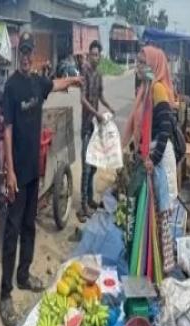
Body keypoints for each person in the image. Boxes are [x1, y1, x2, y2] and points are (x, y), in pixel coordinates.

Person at [0, 32, 82, 326]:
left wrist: (73, 80)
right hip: (18, 172)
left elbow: (54, 84)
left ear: (33, 55)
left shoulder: (37, 82)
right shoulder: (11, 87)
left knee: (29, 226)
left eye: (28, 52)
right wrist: (9, 170)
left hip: (35, 170)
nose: (25, 56)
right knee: (11, 232)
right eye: (21, 52)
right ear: (17, 54)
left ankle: (24, 275)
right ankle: (5, 294)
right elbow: (7, 129)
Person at [122, 45, 178, 275]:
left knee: (160, 216)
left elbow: (165, 129)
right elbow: (141, 126)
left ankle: (160, 272)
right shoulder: (145, 89)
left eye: (143, 62)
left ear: (154, 65)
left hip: (159, 159)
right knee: (147, 212)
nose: (138, 66)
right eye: (137, 61)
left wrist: (153, 159)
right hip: (148, 157)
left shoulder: (158, 90)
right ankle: (145, 264)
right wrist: (135, 149)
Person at [78, 40, 114, 222]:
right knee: (86, 168)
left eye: (97, 54)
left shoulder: (99, 74)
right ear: (89, 55)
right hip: (86, 126)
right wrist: (97, 113)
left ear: (100, 56)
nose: (95, 57)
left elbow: (100, 95)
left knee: (93, 166)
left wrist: (109, 107)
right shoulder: (85, 71)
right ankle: (82, 206)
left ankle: (90, 198)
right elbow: (82, 99)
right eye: (92, 54)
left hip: (95, 127)